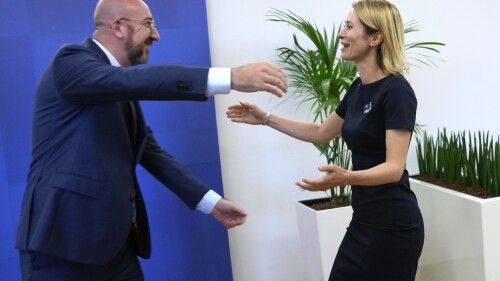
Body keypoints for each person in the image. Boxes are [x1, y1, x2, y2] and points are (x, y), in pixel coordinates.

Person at [15, 0, 287, 280]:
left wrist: (211, 203)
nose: (156, 35)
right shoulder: (71, 60)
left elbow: (151, 152)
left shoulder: (117, 83)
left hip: (116, 248)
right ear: (118, 27)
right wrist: (230, 77)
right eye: (148, 24)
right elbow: (131, 82)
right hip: (63, 246)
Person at [227, 0, 424, 280]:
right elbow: (321, 132)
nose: (341, 34)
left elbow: (393, 169)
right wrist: (266, 118)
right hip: (363, 222)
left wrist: (346, 177)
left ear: (375, 38)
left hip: (394, 227)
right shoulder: (358, 88)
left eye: (349, 27)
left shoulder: (396, 91)